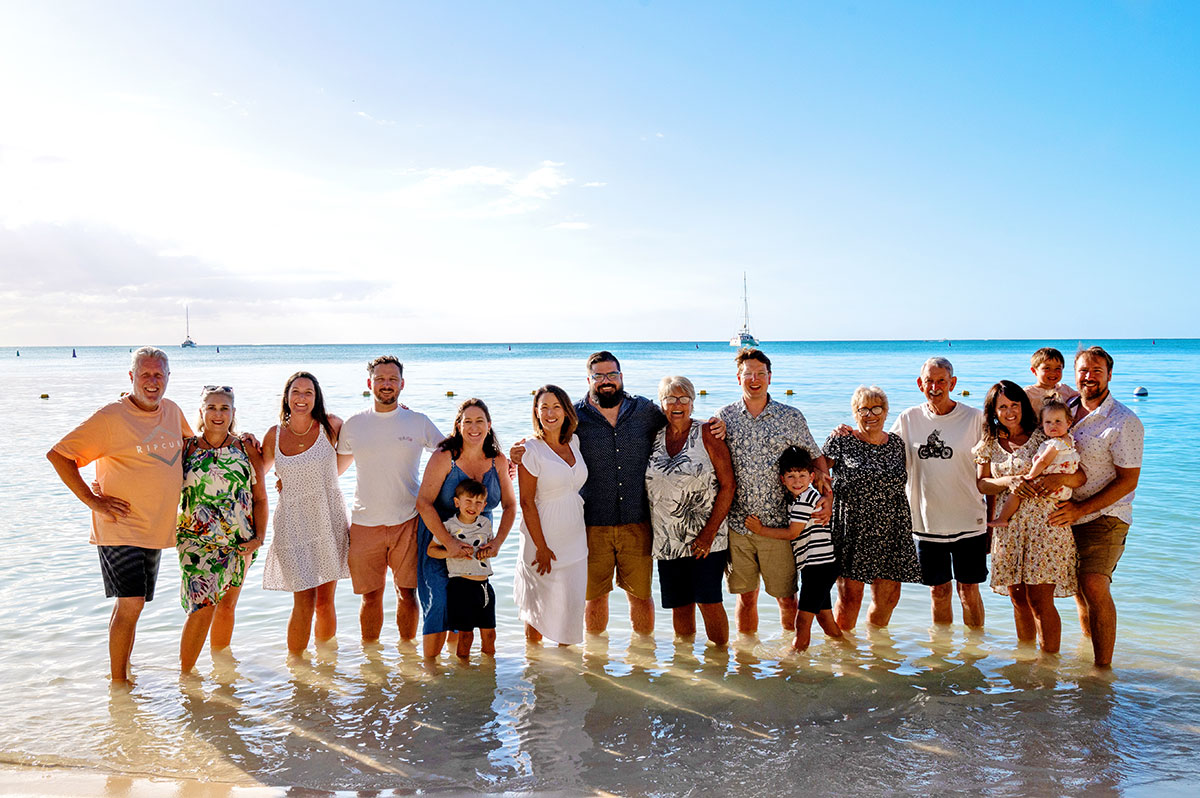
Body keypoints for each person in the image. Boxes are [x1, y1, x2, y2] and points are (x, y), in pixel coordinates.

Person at [47, 346, 192, 683]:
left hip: (155, 528)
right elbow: (59, 455)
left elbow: (193, 446)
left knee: (133, 605)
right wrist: (93, 501)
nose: (152, 381)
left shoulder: (172, 411)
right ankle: (119, 685)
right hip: (119, 526)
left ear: (169, 378)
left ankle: (124, 670)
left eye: (159, 374)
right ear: (131, 377)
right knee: (131, 604)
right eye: (145, 374)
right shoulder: (111, 417)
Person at [718, 348, 831, 636]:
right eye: (748, 374)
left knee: (786, 598)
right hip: (739, 525)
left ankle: (790, 656)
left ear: (770, 377)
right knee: (746, 597)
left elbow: (816, 457)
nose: (754, 379)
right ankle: (747, 659)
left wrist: (827, 499)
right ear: (738, 378)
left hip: (779, 523)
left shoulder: (790, 416)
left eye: (760, 374)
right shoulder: (724, 417)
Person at [336, 356, 443, 646]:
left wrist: (498, 460)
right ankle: (371, 659)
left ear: (402, 384)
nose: (386, 384)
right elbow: (332, 467)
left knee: (407, 593)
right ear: (369, 383)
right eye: (380, 379)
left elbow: (452, 453)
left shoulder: (418, 421)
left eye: (392, 379)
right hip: (364, 523)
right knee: (370, 596)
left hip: (407, 521)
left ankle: (407, 656)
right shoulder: (354, 424)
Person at [1049, 346, 1143, 668]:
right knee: (1078, 589)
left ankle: (1103, 671)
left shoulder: (1124, 421)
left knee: (1093, 583)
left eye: (1097, 371)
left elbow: (1128, 481)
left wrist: (1081, 510)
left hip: (1106, 514)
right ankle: (1086, 653)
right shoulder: (1067, 406)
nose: (1089, 376)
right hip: (1066, 513)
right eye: (1083, 371)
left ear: (1109, 375)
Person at [974, 381, 1084, 654]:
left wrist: (1060, 479)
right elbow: (983, 484)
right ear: (993, 411)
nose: (1009, 412)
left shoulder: (1044, 434)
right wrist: (1008, 480)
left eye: (1015, 405)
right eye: (1002, 407)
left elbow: (1080, 476)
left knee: (1040, 600)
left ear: (1023, 405)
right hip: (1009, 528)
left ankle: (1049, 665)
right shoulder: (988, 443)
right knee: (1017, 598)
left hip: (1046, 525)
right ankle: (1025, 662)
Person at [891, 357, 988, 628]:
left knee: (969, 592)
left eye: (941, 381)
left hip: (970, 522)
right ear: (920, 384)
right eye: (929, 381)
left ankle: (975, 656)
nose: (935, 387)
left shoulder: (974, 418)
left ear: (953, 383)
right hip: (925, 524)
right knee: (938, 592)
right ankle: (941, 656)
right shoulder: (908, 418)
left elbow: (990, 469)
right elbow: (884, 451)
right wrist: (850, 434)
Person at [176, 386, 268, 673]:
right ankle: (186, 677)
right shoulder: (186, 447)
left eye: (224, 408)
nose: (218, 414)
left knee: (227, 607)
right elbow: (152, 479)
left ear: (233, 413)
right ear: (202, 411)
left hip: (240, 540)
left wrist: (259, 538)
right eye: (212, 408)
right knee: (201, 608)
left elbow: (261, 498)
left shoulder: (246, 448)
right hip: (196, 540)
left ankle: (222, 672)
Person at [416, 398, 516, 658]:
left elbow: (510, 506)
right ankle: (432, 670)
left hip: (478, 543)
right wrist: (448, 544)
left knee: (469, 609)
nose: (474, 427)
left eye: (479, 421)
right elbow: (423, 503)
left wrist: (497, 543)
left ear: (489, 425)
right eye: (467, 421)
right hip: (440, 537)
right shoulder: (444, 457)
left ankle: (462, 678)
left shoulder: (498, 461)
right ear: (458, 425)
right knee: (439, 601)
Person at [261, 371, 350, 654]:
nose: (301, 398)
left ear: (317, 397)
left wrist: (321, 481)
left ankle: (327, 666)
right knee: (303, 602)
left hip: (328, 518)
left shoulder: (332, 425)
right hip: (292, 524)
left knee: (325, 602)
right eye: (296, 392)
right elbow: (254, 476)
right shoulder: (274, 435)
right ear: (286, 396)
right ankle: (297, 670)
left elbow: (365, 444)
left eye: (308, 392)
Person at [644, 376, 735, 647]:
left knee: (709, 601)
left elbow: (728, 486)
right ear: (661, 404)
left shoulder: (708, 432)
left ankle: (720, 662)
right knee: (680, 606)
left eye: (684, 398)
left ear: (693, 403)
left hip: (706, 539)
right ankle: (684, 668)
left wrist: (708, 534)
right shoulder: (654, 437)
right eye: (670, 399)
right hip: (667, 539)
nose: (677, 404)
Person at [824, 386, 923, 630]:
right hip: (852, 528)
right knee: (850, 598)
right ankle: (844, 657)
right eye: (864, 409)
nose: (871, 414)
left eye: (877, 408)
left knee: (889, 598)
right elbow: (817, 473)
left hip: (892, 528)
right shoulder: (841, 440)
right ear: (855, 413)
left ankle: (876, 653)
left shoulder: (897, 444)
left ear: (886, 411)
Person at [744, 447, 842, 651]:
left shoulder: (805, 500)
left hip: (818, 566)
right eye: (791, 476)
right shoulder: (804, 497)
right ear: (782, 479)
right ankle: (848, 652)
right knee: (825, 618)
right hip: (821, 565)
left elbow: (792, 533)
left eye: (802, 475)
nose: (797, 481)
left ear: (811, 476)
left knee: (802, 622)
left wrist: (760, 529)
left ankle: (793, 661)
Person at [513, 385, 589, 645]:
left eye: (556, 406)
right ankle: (535, 673)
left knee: (570, 610)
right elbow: (526, 502)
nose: (550, 412)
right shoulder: (530, 450)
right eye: (543, 407)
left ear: (566, 411)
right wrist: (541, 547)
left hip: (576, 541)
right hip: (542, 542)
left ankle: (568, 676)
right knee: (537, 614)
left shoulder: (574, 442)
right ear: (536, 412)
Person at [425, 478, 497, 660]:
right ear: (457, 502)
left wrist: (487, 552)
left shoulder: (486, 524)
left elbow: (491, 549)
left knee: (490, 635)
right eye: (468, 501)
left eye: (479, 502)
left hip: (485, 586)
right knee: (465, 636)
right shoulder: (448, 527)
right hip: (461, 587)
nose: (473, 506)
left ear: (484, 505)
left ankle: (490, 675)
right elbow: (431, 551)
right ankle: (463, 676)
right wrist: (451, 551)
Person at [989, 399, 1080, 528]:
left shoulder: (1055, 443)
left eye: (1058, 422)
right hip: (1064, 491)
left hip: (1049, 485)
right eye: (1048, 422)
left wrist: (1030, 476)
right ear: (1042, 425)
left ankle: (1003, 518)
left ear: (1069, 423)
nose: (1053, 425)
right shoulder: (1070, 440)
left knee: (1018, 490)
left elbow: (1043, 461)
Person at [1024, 347, 1079, 416]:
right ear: (1034, 371)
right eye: (1047, 368)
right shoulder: (1029, 393)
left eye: (1057, 368)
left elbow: (1082, 397)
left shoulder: (1064, 389)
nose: (1053, 373)